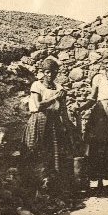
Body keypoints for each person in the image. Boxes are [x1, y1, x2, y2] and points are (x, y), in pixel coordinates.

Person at [21, 58, 73, 196]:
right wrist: (55, 98)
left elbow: (63, 109)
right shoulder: (37, 85)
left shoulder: (59, 88)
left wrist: (67, 125)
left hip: (54, 121)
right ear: (43, 73)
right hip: (39, 120)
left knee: (55, 153)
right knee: (37, 151)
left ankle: (53, 188)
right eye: (48, 72)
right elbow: (38, 105)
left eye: (54, 72)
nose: (51, 75)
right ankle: (36, 188)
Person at [75, 54, 108, 189]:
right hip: (100, 117)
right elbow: (92, 98)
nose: (107, 66)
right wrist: (81, 108)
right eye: (105, 63)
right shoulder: (98, 78)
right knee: (99, 147)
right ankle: (99, 182)